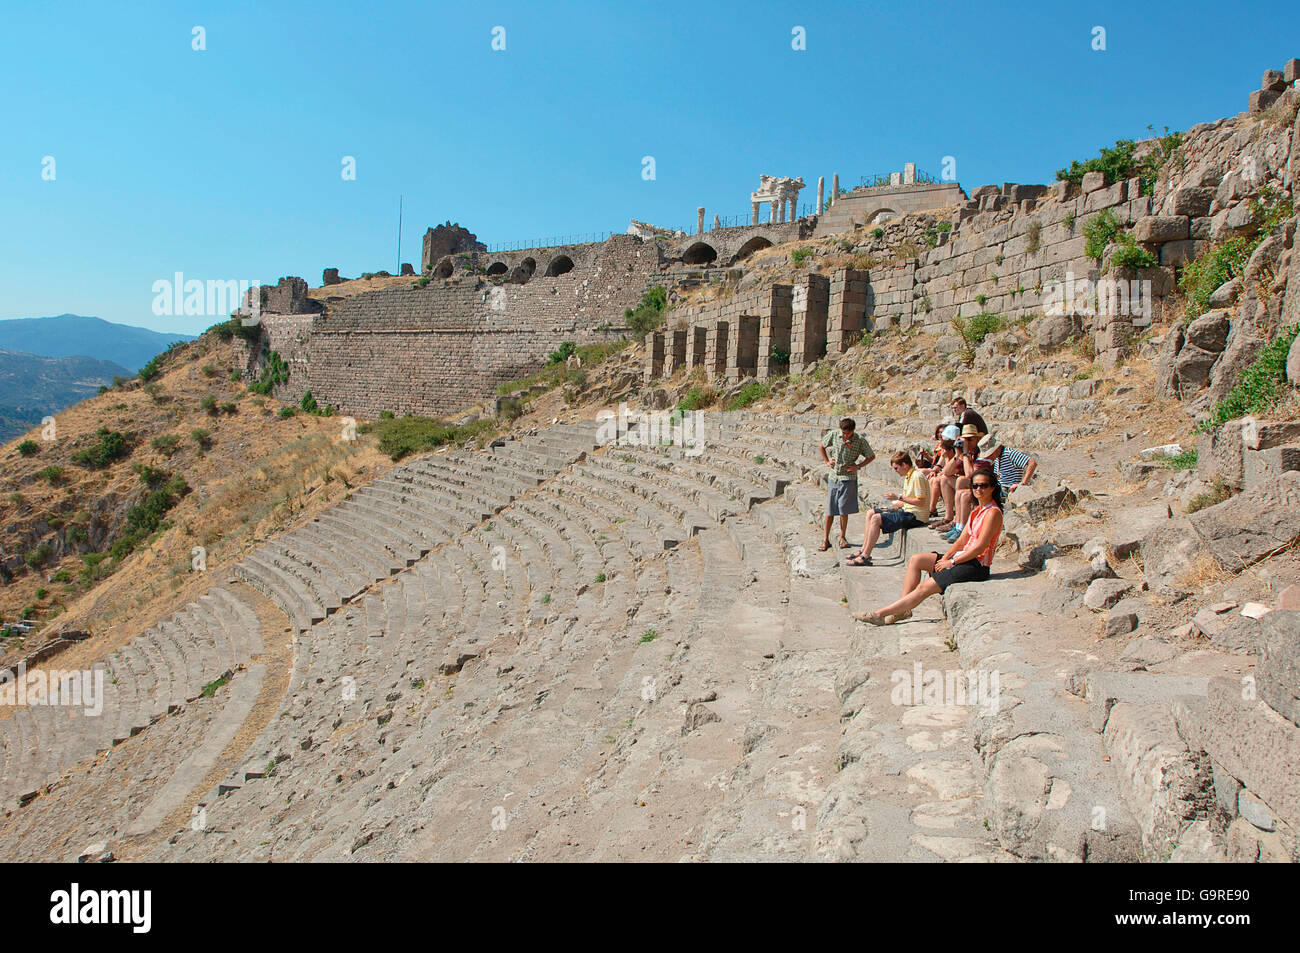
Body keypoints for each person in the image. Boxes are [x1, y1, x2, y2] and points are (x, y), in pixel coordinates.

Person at [853, 470, 1005, 625]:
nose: (978, 489)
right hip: (963, 557)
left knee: (924, 587)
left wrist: (952, 562)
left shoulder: (993, 513)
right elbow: (961, 541)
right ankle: (903, 610)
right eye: (975, 486)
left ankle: (878, 615)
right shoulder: (977, 511)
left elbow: (980, 548)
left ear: (992, 487)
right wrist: (946, 557)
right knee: (916, 560)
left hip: (976, 566)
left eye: (983, 486)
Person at [847, 452, 929, 566]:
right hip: (908, 511)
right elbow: (908, 499)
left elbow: (921, 502)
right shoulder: (909, 476)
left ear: (905, 465)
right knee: (871, 513)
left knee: (876, 519)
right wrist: (892, 505)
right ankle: (863, 549)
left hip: (916, 516)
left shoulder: (917, 477)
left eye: (896, 468)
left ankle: (865, 556)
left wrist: (898, 497)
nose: (895, 471)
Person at [818, 417, 875, 551]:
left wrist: (858, 466)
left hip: (848, 477)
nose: (845, 436)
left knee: (843, 509)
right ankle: (825, 539)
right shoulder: (834, 435)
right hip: (834, 476)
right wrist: (827, 462)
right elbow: (822, 445)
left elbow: (871, 456)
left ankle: (842, 537)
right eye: (844, 433)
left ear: (853, 431)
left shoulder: (859, 440)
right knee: (830, 510)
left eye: (848, 434)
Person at [936, 423, 984, 536]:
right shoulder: (964, 453)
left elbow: (970, 475)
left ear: (977, 439)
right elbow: (947, 472)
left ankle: (959, 524)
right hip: (967, 485)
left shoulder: (980, 452)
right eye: (965, 440)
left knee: (961, 480)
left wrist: (966, 453)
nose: (967, 442)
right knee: (944, 479)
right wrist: (958, 455)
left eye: (970, 439)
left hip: (979, 485)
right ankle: (950, 518)